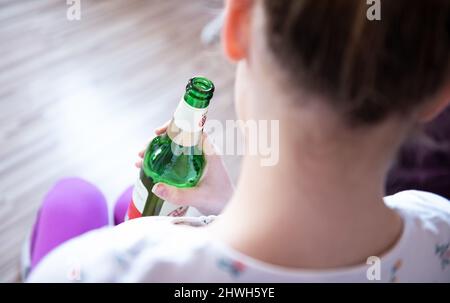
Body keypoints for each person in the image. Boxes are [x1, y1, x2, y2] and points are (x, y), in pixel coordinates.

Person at [27, 0, 450, 282]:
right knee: (129, 202)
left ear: (237, 25)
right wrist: (223, 204)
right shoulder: (440, 226)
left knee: (74, 199)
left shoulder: (98, 270)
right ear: (440, 95)